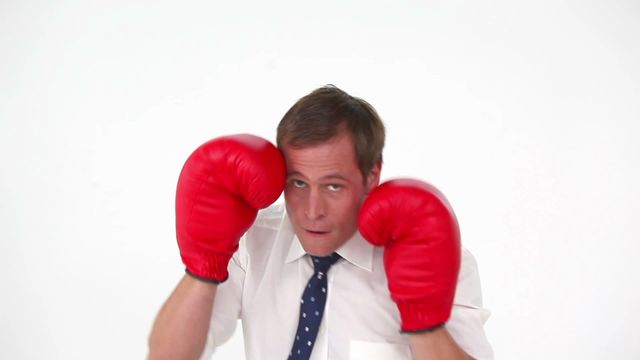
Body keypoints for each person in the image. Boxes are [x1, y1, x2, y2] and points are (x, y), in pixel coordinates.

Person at [148, 85, 493, 360]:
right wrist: (203, 264)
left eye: (333, 186)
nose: (312, 210)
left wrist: (424, 320)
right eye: (298, 182)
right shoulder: (252, 244)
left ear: (372, 176)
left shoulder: (439, 259)